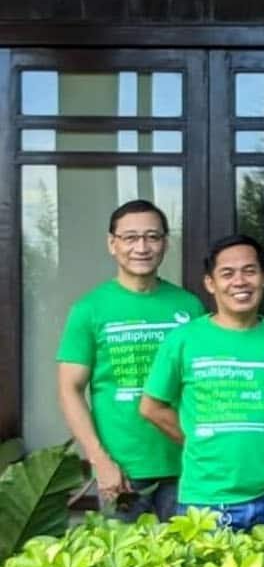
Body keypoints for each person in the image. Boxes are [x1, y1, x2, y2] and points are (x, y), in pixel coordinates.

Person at [139, 235, 264, 530]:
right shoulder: (183, 339)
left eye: (250, 271)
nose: (240, 281)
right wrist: (197, 438)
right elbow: (151, 407)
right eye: (227, 274)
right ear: (210, 283)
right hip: (205, 501)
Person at [57, 200, 205, 522]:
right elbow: (70, 389)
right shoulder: (90, 309)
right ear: (112, 244)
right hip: (122, 473)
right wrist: (100, 460)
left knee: (188, 566)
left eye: (152, 237)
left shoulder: (189, 306)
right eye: (130, 238)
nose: (142, 247)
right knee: (126, 566)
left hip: (187, 466)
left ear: (165, 243)